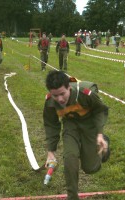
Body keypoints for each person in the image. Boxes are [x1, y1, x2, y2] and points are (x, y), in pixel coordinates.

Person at [43, 70, 110, 200]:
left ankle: (105, 147)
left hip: (89, 124)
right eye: (55, 95)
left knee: (90, 168)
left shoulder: (85, 93)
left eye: (62, 94)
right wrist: (51, 152)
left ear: (69, 87)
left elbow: (100, 110)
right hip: (70, 124)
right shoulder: (50, 101)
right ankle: (72, 197)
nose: (60, 99)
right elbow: (51, 125)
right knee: (70, 158)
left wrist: (100, 134)